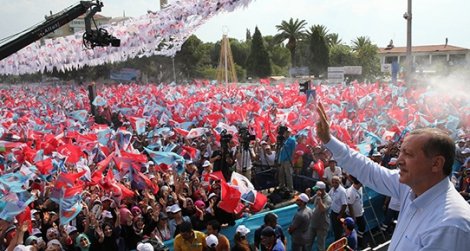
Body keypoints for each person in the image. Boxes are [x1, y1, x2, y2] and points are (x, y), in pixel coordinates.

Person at [316, 101, 470, 250]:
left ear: (436, 163)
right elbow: (368, 170)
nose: (399, 161)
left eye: (408, 154)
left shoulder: (451, 225)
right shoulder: (409, 187)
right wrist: (328, 140)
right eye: (400, 152)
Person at [308, 181, 331, 251]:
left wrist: (319, 198)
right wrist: (308, 193)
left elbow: (322, 209)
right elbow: (310, 201)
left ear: (322, 190)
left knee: (320, 246)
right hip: (313, 223)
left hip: (322, 225)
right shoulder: (317, 195)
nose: (315, 191)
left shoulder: (328, 199)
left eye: (317, 189)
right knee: (308, 242)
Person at [345, 175, 366, 248]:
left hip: (360, 213)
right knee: (350, 232)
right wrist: (353, 217)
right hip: (353, 215)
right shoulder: (351, 192)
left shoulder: (360, 188)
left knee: (362, 227)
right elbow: (350, 205)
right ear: (359, 183)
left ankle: (359, 241)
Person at [328, 176, 348, 241]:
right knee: (335, 229)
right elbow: (328, 196)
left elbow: (344, 204)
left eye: (336, 182)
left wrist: (340, 215)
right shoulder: (332, 189)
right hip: (333, 213)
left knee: (339, 231)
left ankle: (339, 244)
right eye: (333, 182)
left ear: (339, 182)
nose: (334, 184)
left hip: (340, 214)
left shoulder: (342, 191)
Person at [277, 127, 296, 192]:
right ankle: (282, 185)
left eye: (288, 132)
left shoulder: (292, 140)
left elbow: (293, 151)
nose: (286, 133)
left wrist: (292, 160)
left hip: (288, 160)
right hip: (281, 159)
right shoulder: (283, 139)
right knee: (281, 174)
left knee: (288, 174)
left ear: (290, 133)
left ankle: (290, 188)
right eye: (285, 132)